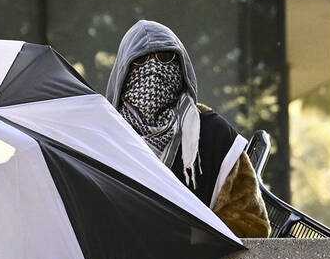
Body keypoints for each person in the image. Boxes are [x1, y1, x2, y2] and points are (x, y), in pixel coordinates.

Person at [106, 20, 271, 238]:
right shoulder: (105, 138)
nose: (153, 69)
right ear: (123, 72)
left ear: (181, 68)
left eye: (165, 57)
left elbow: (253, 226)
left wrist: (188, 238)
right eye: (140, 61)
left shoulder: (214, 135)